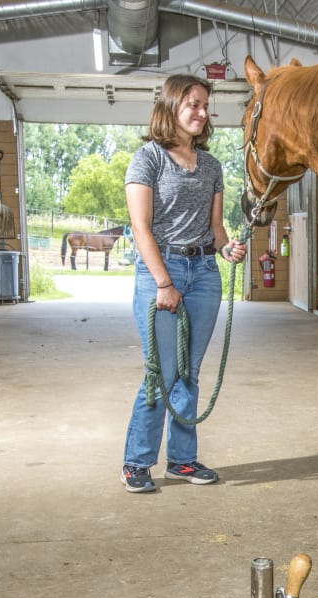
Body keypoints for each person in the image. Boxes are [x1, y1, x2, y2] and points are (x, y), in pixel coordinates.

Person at [120, 74, 246, 494]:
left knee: (188, 374)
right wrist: (163, 282)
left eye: (205, 105)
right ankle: (137, 462)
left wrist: (227, 250)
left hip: (204, 273)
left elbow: (214, 228)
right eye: (193, 103)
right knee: (162, 373)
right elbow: (141, 229)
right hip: (162, 272)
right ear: (172, 105)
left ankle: (182, 461)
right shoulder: (148, 159)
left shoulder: (210, 165)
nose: (201, 112)